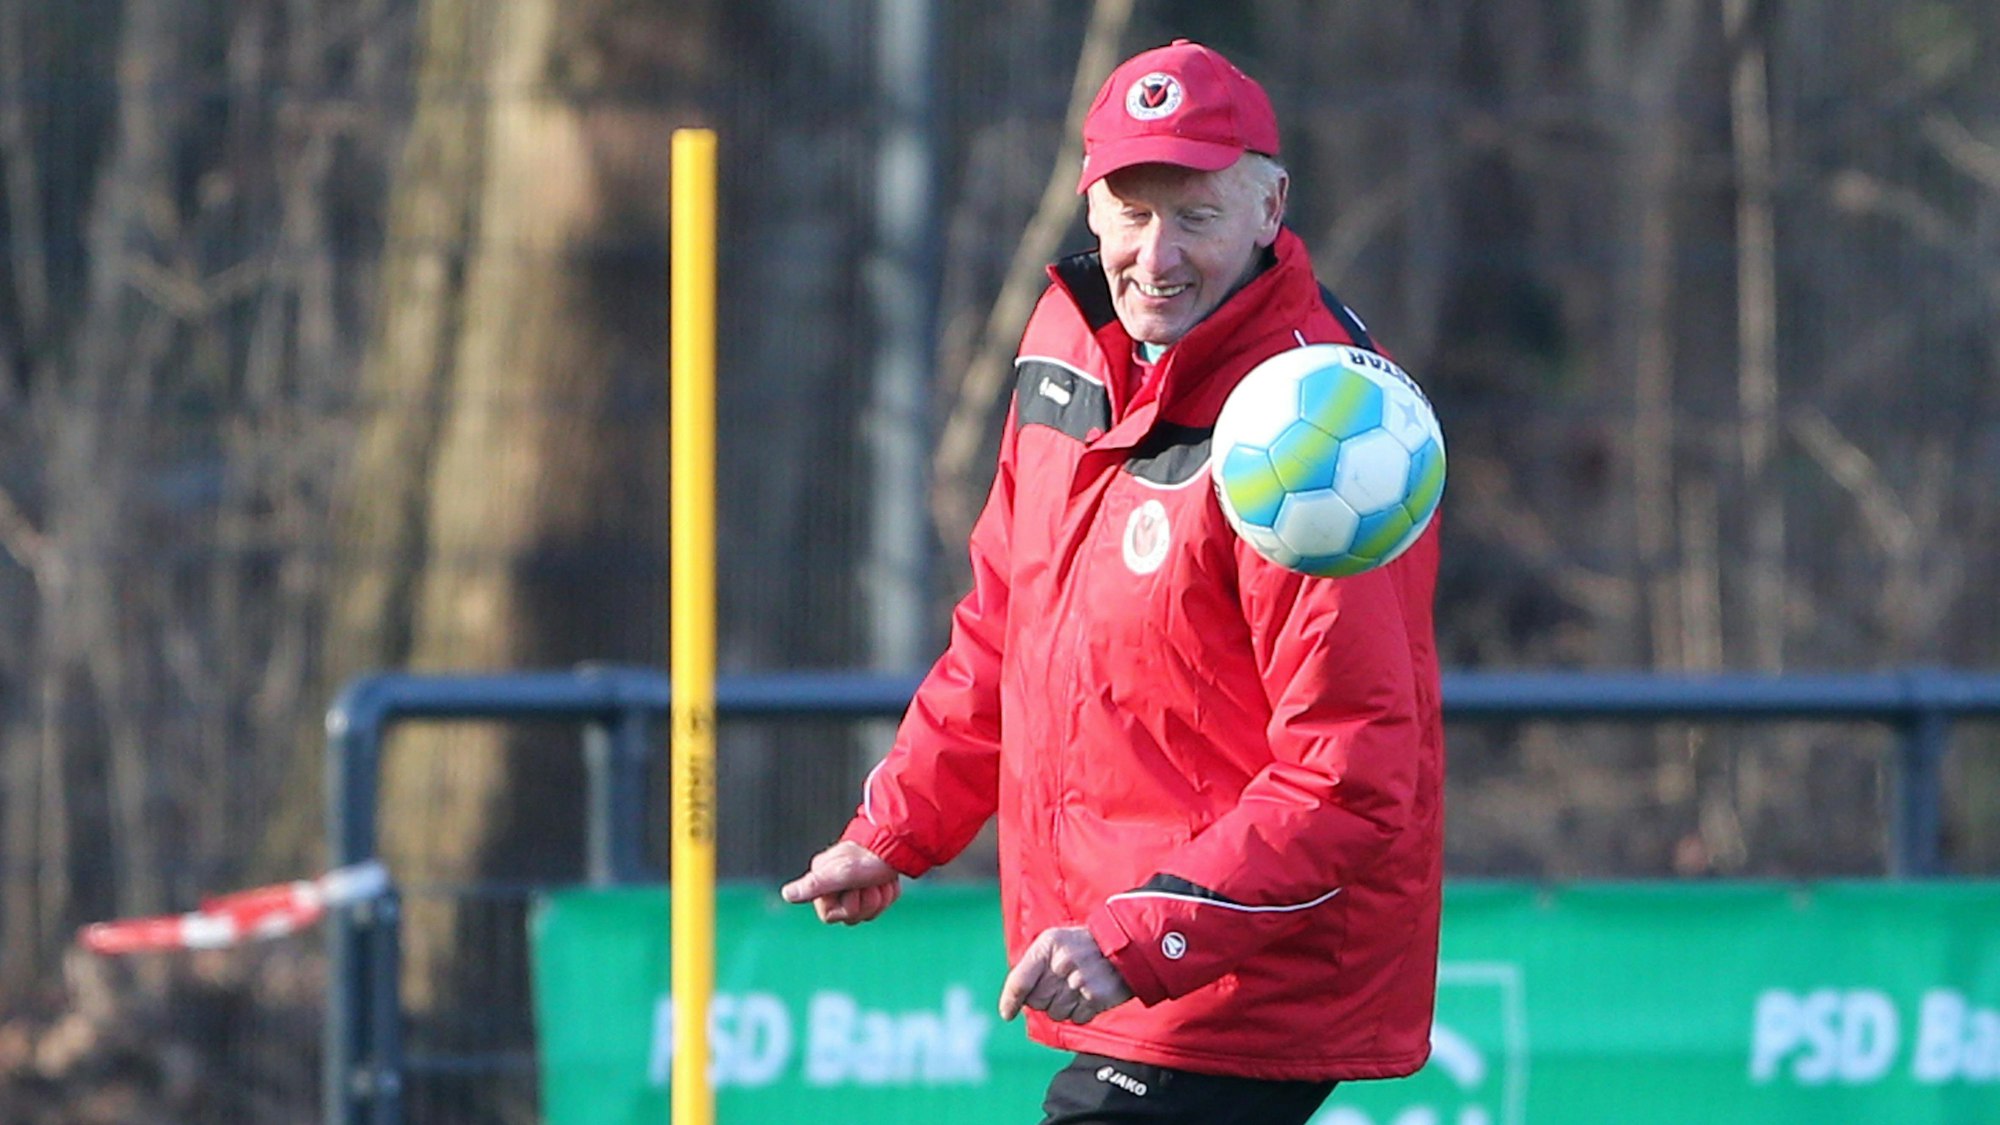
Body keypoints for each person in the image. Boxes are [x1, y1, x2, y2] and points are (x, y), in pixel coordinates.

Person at [782, 39, 1444, 1125]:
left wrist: (1142, 934)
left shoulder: (1320, 431)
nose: (1155, 254)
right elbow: (1006, 623)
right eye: (1132, 211)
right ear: (1088, 204)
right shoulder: (1066, 346)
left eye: (1194, 215)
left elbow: (1351, 774)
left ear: (1269, 206)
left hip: (1243, 977)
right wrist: (894, 825)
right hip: (1120, 958)